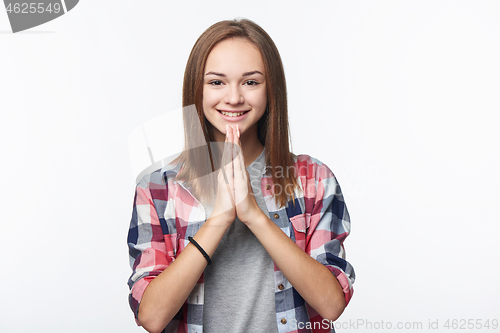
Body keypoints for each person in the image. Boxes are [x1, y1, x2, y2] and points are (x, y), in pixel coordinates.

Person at [127, 18, 355, 333]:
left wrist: (253, 215)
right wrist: (219, 219)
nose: (234, 98)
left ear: (271, 88)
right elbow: (151, 317)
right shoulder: (158, 188)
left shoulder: (313, 179)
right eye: (217, 82)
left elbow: (331, 305)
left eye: (250, 82)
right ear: (197, 88)